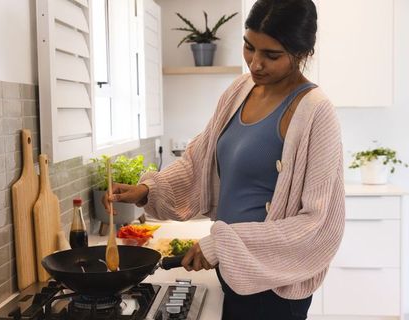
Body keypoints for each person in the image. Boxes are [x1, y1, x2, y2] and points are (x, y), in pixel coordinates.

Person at [103, 0, 345, 319]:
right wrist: (149, 190)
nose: (255, 64)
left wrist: (221, 246)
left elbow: (318, 225)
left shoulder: (316, 112)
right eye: (249, 47)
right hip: (232, 272)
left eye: (271, 55)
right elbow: (199, 160)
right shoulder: (240, 90)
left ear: (302, 53)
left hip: (274, 288)